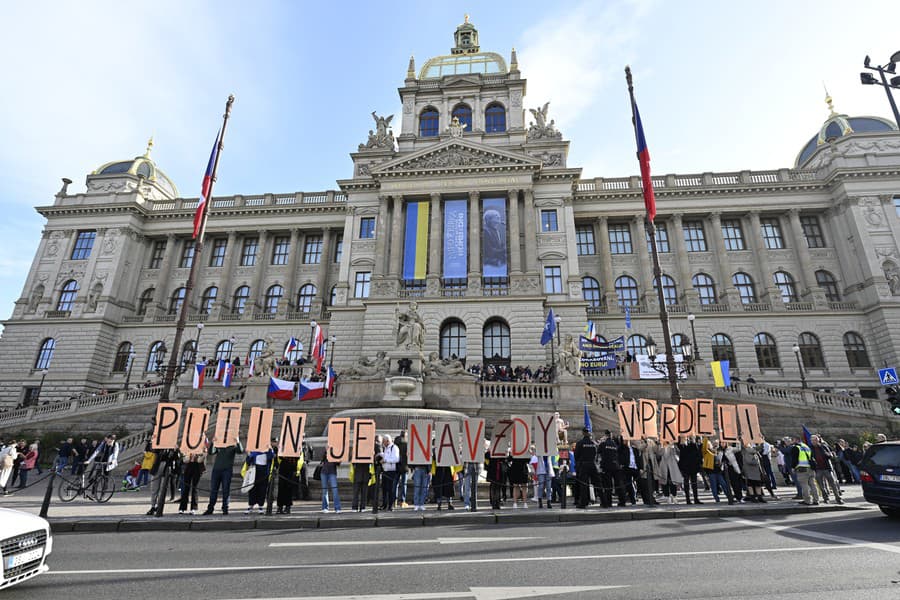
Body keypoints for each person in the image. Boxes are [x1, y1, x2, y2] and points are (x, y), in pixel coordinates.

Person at [203, 439, 244, 515]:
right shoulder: (219, 444)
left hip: (227, 470)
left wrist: (238, 441)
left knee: (226, 489)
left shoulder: (233, 445)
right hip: (216, 470)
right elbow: (211, 452)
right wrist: (213, 442)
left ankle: (225, 508)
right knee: (213, 490)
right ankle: (210, 508)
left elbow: (240, 451)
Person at [244, 441, 275, 514]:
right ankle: (251, 505)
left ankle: (260, 506)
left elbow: (272, 456)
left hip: (264, 471)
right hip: (254, 471)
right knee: (252, 488)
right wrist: (248, 454)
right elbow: (248, 462)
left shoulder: (268, 451)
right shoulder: (254, 451)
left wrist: (269, 448)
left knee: (262, 489)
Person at [574, 428, 602, 509]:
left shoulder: (580, 443)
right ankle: (604, 502)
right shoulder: (594, 443)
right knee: (598, 484)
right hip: (593, 464)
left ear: (583, 433)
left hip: (584, 465)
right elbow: (596, 454)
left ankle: (583, 503)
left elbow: (576, 455)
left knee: (584, 485)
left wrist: (579, 465)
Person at [147, 448, 180, 515]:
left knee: (162, 489)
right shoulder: (159, 444)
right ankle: (153, 506)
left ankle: (159, 506)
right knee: (154, 488)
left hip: (167, 466)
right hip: (158, 465)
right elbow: (152, 450)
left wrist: (174, 450)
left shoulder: (172, 446)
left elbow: (177, 457)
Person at [810, 435, 842, 504]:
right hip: (818, 469)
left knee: (833, 484)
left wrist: (827, 454)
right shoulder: (810, 448)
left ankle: (838, 498)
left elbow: (831, 454)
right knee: (821, 486)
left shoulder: (823, 446)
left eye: (815, 440)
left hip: (827, 468)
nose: (813, 442)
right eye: (812, 440)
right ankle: (826, 498)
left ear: (818, 440)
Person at [598, 431, 626, 507]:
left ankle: (608, 502)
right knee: (619, 484)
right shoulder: (615, 444)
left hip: (606, 467)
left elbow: (598, 451)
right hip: (616, 466)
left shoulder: (603, 444)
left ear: (605, 436)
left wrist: (600, 442)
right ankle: (622, 501)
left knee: (608, 486)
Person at [788, 436, 818, 506]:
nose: (791, 442)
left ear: (796, 440)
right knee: (813, 485)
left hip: (801, 469)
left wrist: (793, 467)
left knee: (804, 485)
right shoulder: (807, 447)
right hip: (810, 468)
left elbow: (794, 459)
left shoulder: (796, 447)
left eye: (792, 440)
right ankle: (816, 500)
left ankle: (807, 500)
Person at [380, 434, 400, 511]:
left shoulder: (394, 448)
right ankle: (384, 505)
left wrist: (385, 460)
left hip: (391, 472)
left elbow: (396, 459)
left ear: (387, 441)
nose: (383, 443)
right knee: (384, 489)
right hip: (385, 471)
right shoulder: (385, 448)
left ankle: (391, 505)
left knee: (391, 489)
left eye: (384, 441)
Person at [395, 430, 409, 508]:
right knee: (404, 484)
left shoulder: (396, 442)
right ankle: (402, 501)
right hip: (405, 466)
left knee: (395, 484)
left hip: (397, 465)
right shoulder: (407, 442)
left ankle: (394, 500)